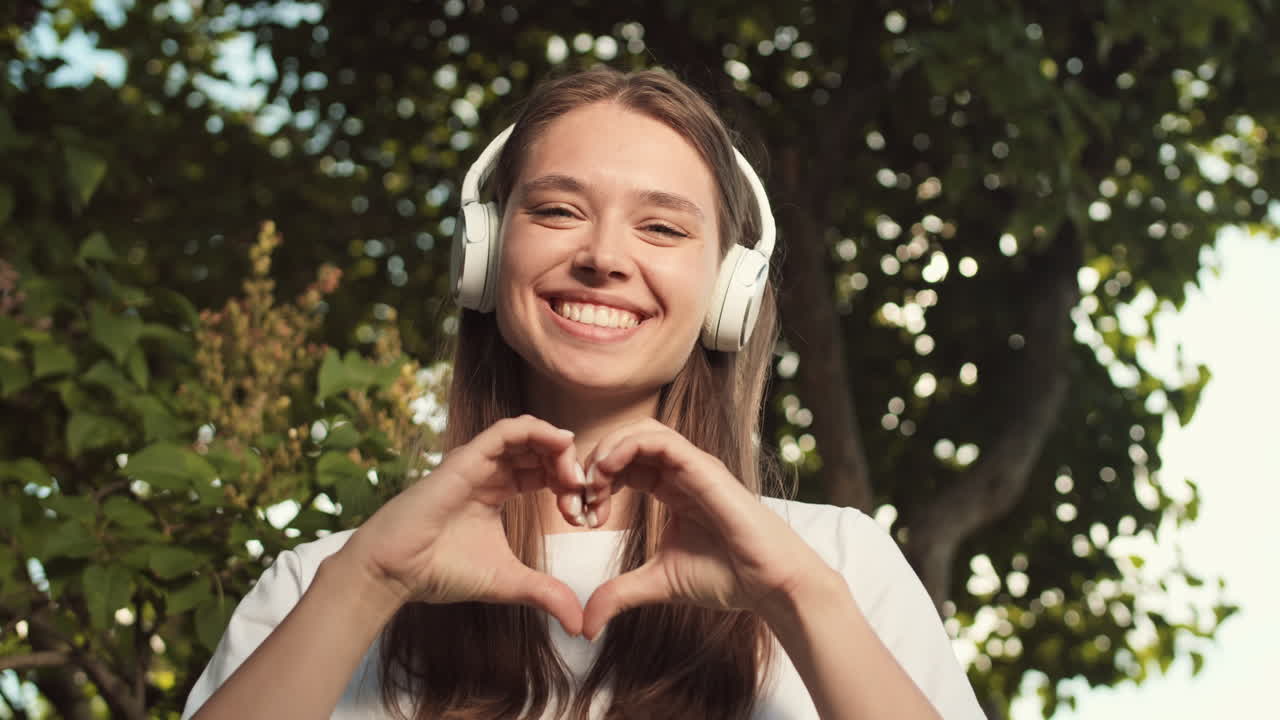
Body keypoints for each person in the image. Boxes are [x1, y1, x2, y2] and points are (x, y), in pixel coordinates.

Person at [182, 67, 986, 720]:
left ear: (727, 291)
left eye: (663, 228)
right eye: (558, 210)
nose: (603, 256)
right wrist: (368, 586)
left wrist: (795, 599)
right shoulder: (325, 581)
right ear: (487, 255)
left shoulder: (837, 566)